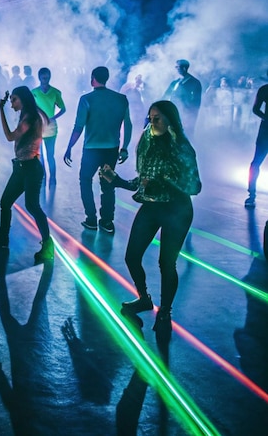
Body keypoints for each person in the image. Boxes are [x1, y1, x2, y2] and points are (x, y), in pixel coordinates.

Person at [99, 100, 201, 336]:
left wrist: (163, 183)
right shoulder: (147, 141)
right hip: (152, 207)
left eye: (157, 119)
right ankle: (144, 298)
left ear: (170, 121)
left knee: (167, 263)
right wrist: (116, 181)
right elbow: (143, 181)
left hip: (178, 210)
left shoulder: (182, 147)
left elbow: (194, 186)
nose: (151, 122)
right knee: (131, 256)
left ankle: (165, 311)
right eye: (150, 118)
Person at [0, 86, 54, 264]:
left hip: (30, 168)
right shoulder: (28, 115)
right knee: (6, 202)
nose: (12, 103)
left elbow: (9, 136)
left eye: (14, 99)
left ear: (23, 99)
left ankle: (47, 245)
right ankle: (3, 238)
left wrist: (0, 109)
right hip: (22, 167)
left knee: (32, 206)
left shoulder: (30, 117)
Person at [63, 66, 132, 234]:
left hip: (92, 150)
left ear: (93, 78)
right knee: (108, 185)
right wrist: (124, 148)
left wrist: (69, 147)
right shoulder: (121, 99)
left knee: (85, 181)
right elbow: (128, 125)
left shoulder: (86, 99)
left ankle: (91, 219)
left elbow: (78, 127)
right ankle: (107, 221)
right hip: (112, 149)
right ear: (107, 78)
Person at [32, 67, 66, 186]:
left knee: (50, 155)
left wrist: (53, 118)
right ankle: (43, 176)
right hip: (38, 128)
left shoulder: (55, 92)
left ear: (50, 77)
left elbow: (63, 108)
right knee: (39, 155)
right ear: (39, 77)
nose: (45, 79)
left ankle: (52, 178)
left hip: (51, 128)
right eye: (43, 77)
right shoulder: (34, 92)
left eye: (47, 77)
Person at [244, 73, 268, 208]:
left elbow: (255, 109)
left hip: (265, 130)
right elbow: (255, 109)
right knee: (256, 162)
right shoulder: (264, 89)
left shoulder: (264, 89)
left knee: (256, 162)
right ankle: (251, 194)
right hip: (266, 131)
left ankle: (251, 195)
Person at [162, 59, 202, 136]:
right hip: (173, 112)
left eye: (177, 67)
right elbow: (165, 95)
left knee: (186, 134)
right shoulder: (175, 82)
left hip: (186, 114)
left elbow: (196, 102)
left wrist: (190, 113)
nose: (175, 68)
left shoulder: (194, 82)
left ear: (184, 68)